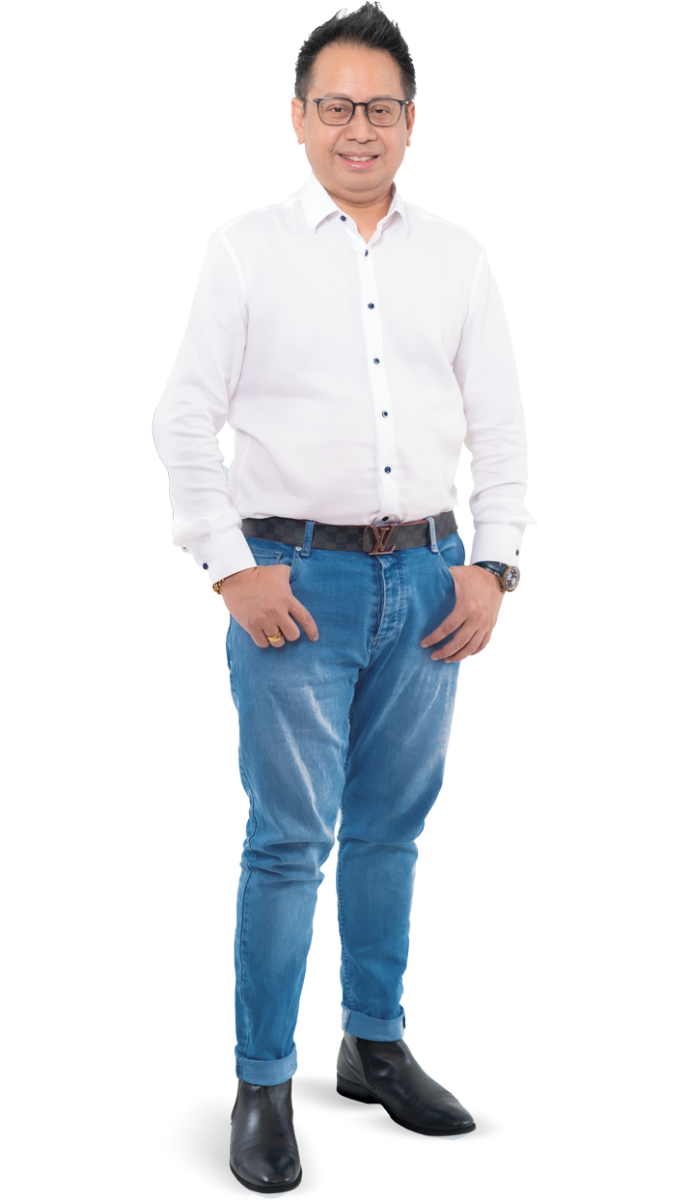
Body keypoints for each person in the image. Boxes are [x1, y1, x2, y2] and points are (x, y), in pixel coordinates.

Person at [151, 3, 536, 1195]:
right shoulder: (244, 249)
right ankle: (263, 1079)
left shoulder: (458, 256)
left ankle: (374, 1044)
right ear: (298, 118)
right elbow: (183, 420)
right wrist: (230, 565)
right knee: (286, 841)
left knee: (391, 831)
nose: (357, 128)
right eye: (336, 107)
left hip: (429, 582)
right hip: (294, 583)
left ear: (411, 121)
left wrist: (494, 564)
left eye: (380, 107)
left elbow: (500, 427)